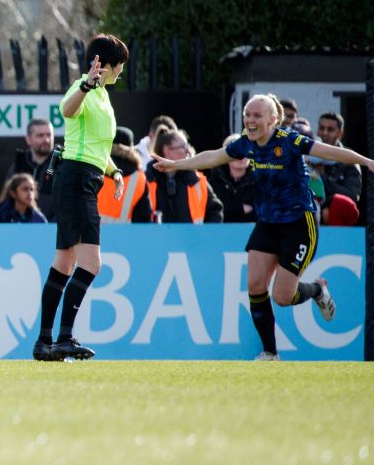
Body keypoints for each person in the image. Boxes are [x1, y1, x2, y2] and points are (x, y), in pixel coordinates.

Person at [152, 93, 374, 361]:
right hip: (268, 222)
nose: (250, 119)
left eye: (257, 115)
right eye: (247, 114)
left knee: (282, 296)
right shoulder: (246, 144)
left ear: (272, 119)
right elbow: (213, 157)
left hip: (298, 223)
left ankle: (316, 289)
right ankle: (270, 353)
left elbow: (330, 152)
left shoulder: (289, 141)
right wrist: (177, 164)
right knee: (255, 285)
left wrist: (366, 161)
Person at [33, 34, 128, 362]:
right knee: (92, 264)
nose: (120, 73)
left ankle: (45, 342)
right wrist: (87, 85)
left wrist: (114, 172)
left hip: (84, 177)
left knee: (64, 263)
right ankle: (64, 338)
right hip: (75, 179)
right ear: (108, 65)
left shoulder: (102, 97)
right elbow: (67, 111)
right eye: (120, 67)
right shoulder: (85, 88)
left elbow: (97, 147)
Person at [145, 128, 223, 223]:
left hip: (192, 237)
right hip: (155, 237)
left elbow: (216, 211)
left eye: (188, 146)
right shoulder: (147, 180)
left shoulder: (196, 180)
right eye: (183, 147)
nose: (188, 151)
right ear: (167, 151)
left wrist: (205, 236)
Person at [97, 127, 151, 223]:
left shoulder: (95, 167)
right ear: (131, 148)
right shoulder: (140, 178)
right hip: (122, 235)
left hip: (89, 233)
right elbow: (143, 217)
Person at [6, 118, 56, 218]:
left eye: (49, 135)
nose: (46, 140)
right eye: (40, 136)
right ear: (28, 139)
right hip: (22, 227)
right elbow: (7, 199)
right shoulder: (18, 166)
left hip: (54, 228)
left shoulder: (61, 165)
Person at [206, 135, 256, 223]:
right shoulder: (216, 179)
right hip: (223, 232)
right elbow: (216, 210)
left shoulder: (260, 178)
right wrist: (241, 209)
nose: (241, 156)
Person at [314, 111, 362, 204]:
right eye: (321, 128)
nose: (324, 133)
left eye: (330, 129)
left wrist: (324, 177)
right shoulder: (309, 155)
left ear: (340, 134)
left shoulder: (349, 160)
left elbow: (352, 197)